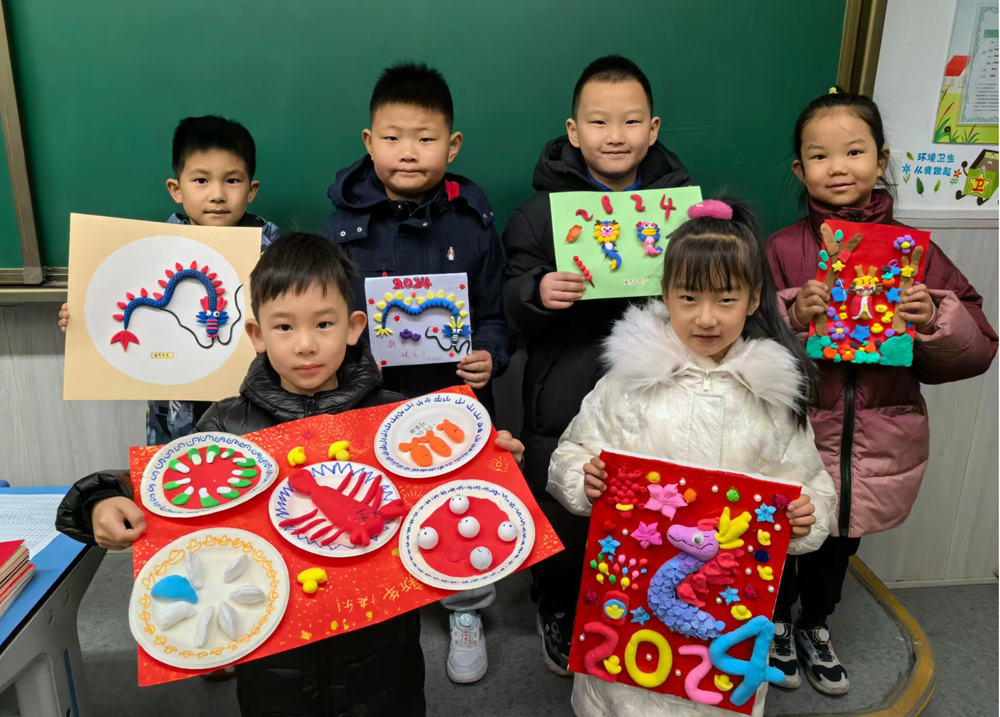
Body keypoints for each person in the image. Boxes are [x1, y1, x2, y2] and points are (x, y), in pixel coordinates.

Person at [55, 232, 526, 716]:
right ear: (257, 335)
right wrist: (102, 498)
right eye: (284, 327)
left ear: (354, 327)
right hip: (272, 658)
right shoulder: (227, 423)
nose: (305, 345)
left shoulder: (396, 418)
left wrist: (494, 463)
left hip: (382, 651)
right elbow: (168, 482)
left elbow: (452, 495)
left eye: (324, 323)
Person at [547, 198, 838, 717]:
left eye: (726, 299)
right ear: (665, 295)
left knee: (712, 692)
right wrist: (582, 479)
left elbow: (811, 484)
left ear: (753, 299)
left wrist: (805, 516)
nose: (707, 318)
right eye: (688, 298)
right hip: (628, 609)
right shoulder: (629, 381)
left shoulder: (772, 395)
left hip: (725, 610)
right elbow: (573, 450)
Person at [764, 89, 998, 695]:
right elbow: (745, 341)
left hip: (877, 435)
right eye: (819, 156)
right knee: (785, 532)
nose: (838, 167)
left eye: (854, 151)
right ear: (800, 170)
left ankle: (815, 624)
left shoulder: (915, 252)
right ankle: (776, 623)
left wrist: (934, 318)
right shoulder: (783, 249)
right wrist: (793, 314)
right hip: (798, 430)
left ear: (881, 158)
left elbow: (978, 346)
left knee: (840, 541)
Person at [318, 62, 509, 683]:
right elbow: (323, 317)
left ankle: (465, 606)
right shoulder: (339, 230)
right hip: (368, 396)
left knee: (459, 504)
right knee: (371, 504)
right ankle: (382, 602)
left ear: (452, 146)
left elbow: (494, 315)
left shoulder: (473, 222)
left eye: (425, 138)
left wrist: (489, 354)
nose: (408, 151)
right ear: (368, 141)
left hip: (453, 394)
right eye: (393, 137)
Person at [501, 55, 692, 674]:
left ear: (653, 129)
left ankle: (640, 605)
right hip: (565, 385)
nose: (615, 135)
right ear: (573, 130)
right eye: (599, 122)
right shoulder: (539, 213)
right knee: (564, 503)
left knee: (650, 501)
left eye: (631, 121)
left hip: (658, 386)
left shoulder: (681, 209)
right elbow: (510, 300)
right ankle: (556, 602)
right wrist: (537, 292)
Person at [58, 115, 280, 445]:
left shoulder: (273, 249)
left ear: (251, 190)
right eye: (201, 180)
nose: (217, 194)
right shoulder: (151, 250)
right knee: (176, 468)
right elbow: (123, 306)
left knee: (251, 466)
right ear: (176, 189)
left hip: (252, 401)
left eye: (232, 181)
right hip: (177, 410)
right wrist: (84, 321)